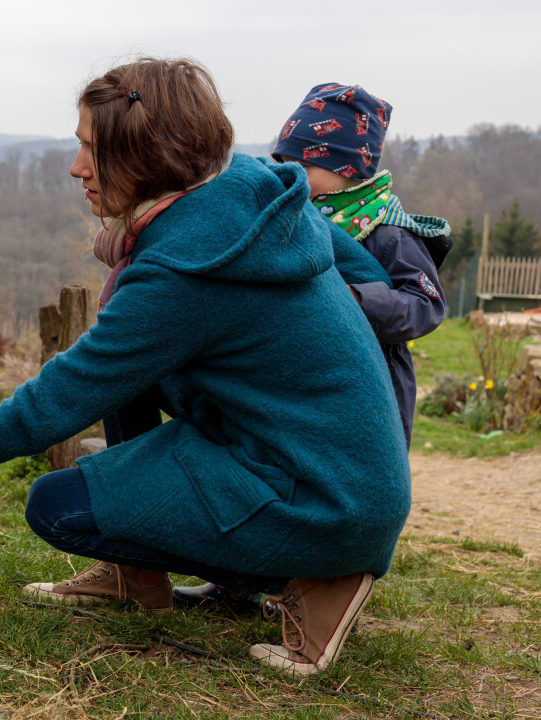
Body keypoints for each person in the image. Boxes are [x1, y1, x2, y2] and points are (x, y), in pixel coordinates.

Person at [0, 57, 411, 677]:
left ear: (147, 156)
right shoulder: (250, 188)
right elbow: (370, 276)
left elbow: (47, 407)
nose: (77, 168)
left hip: (325, 500)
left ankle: (318, 577)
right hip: (344, 470)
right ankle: (141, 577)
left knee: (57, 507)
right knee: (125, 368)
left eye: (92, 151)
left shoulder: (186, 275)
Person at [173, 82, 451, 614]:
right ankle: (238, 583)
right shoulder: (300, 215)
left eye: (305, 162)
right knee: (271, 473)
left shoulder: (385, 231)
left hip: (365, 386)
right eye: (284, 158)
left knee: (330, 488)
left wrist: (353, 300)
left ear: (349, 168)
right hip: (294, 376)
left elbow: (425, 302)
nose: (292, 172)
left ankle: (319, 593)